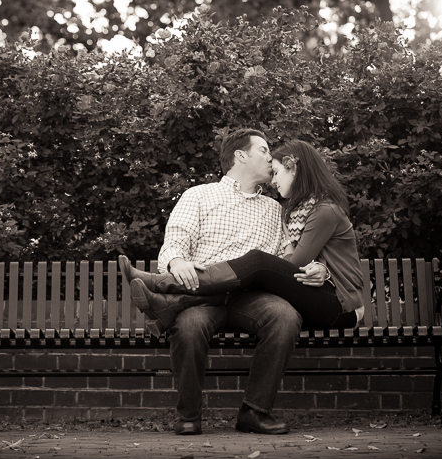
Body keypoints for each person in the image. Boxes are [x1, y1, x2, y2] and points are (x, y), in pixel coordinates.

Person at [119, 129, 329, 436]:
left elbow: (292, 256)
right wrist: (177, 263)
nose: (271, 158)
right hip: (202, 297)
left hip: (251, 297)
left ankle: (254, 412)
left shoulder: (276, 210)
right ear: (240, 156)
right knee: (189, 327)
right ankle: (189, 415)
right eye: (264, 150)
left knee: (285, 317)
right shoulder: (199, 195)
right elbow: (176, 241)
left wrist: (319, 269)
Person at [121, 140, 365, 336]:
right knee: (255, 270)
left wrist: (259, 271)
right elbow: (304, 260)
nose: (274, 178)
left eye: (278, 172)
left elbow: (291, 265)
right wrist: (320, 267)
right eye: (273, 170)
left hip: (341, 307)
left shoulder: (324, 210)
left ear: (295, 169)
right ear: (240, 156)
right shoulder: (300, 211)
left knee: (259, 262)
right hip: (317, 298)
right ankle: (172, 299)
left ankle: (162, 285)